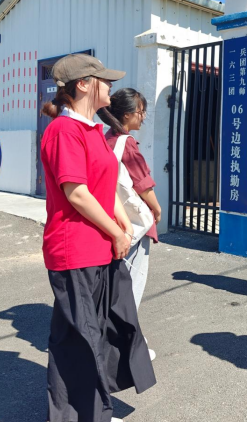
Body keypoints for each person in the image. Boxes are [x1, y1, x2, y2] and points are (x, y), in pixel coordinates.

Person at [40, 54, 156, 422]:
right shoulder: (64, 130)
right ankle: (84, 416)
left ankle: (85, 411)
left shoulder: (92, 130)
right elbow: (76, 193)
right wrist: (116, 230)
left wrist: (121, 223)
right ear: (83, 85)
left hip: (100, 248)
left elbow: (106, 185)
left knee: (100, 331)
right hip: (75, 249)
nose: (110, 86)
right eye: (104, 80)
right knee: (79, 340)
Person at [98, 88, 162, 360]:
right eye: (140, 111)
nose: (143, 116)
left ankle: (118, 338)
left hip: (112, 221)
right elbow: (143, 183)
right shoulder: (127, 143)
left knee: (115, 284)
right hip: (134, 224)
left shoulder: (106, 138)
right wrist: (157, 208)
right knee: (132, 286)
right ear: (126, 115)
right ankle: (128, 345)